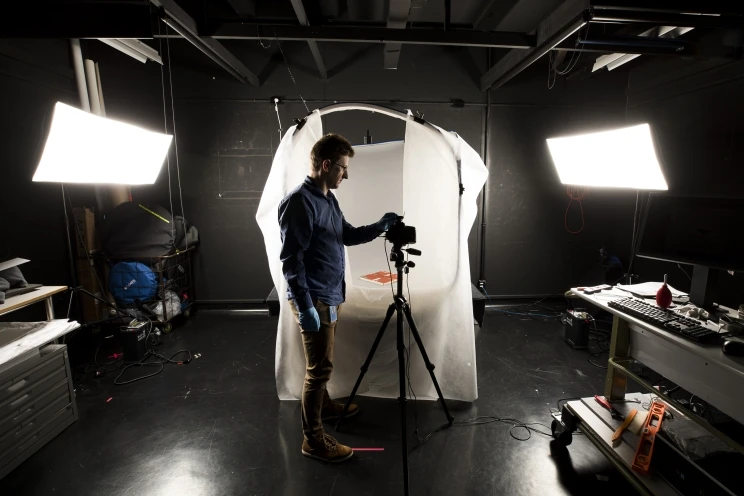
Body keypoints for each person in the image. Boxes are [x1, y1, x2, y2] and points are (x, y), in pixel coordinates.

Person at [278, 133, 398, 463]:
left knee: (322, 365)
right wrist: (304, 306)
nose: (347, 174)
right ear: (327, 165)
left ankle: (326, 407)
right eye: (343, 168)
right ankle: (313, 440)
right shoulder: (299, 202)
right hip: (314, 299)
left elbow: (345, 234)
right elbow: (291, 260)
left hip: (331, 296)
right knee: (318, 370)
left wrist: (378, 227)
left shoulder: (327, 198)